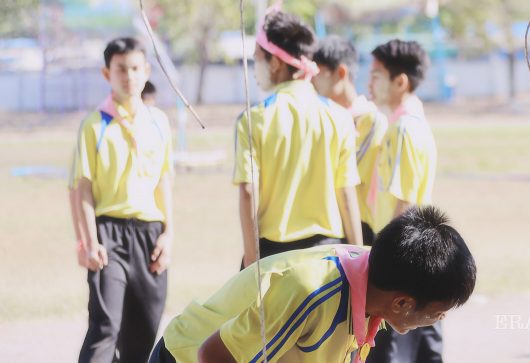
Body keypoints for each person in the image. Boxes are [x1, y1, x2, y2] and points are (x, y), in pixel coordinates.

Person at [149, 206, 475, 363]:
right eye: (437, 313)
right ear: (402, 303)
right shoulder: (312, 291)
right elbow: (213, 355)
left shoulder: (380, 281)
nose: (440, 318)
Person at [69, 37, 174, 363]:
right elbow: (82, 188)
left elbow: (164, 181)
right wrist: (89, 241)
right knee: (105, 326)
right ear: (107, 74)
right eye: (120, 69)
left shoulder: (159, 122)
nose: (129, 76)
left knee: (145, 329)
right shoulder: (95, 125)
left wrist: (169, 234)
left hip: (150, 235)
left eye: (135, 68)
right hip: (109, 234)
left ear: (146, 71)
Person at [234, 6, 361, 266]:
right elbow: (347, 194)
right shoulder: (339, 117)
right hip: (328, 254)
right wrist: (359, 258)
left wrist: (251, 260)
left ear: (276, 62)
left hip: (273, 255)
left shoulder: (254, 119)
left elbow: (248, 191)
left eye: (258, 57)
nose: (255, 66)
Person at [365, 39, 441, 363]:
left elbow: (404, 203)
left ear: (400, 82)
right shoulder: (405, 122)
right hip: (409, 254)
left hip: (400, 258)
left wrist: (386, 269)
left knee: (390, 352)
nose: (369, 83)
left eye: (376, 76)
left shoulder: (404, 129)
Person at [313, 35, 389, 244]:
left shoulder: (370, 120)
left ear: (340, 73)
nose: (311, 82)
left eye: (317, 74)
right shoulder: (324, 118)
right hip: (331, 227)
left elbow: (344, 176)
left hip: (360, 229)